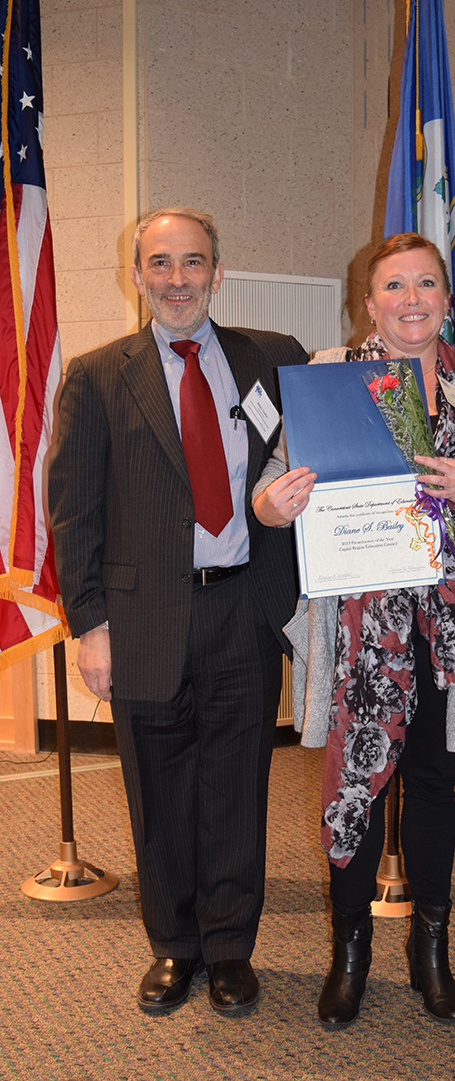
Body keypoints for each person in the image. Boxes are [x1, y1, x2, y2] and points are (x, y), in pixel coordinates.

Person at [253, 232, 455, 1028]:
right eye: (395, 286)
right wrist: (276, 504)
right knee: (356, 785)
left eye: (427, 284)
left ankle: (431, 954)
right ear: (368, 304)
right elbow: (270, 486)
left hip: (449, 627)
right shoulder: (332, 376)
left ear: (447, 298)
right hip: (358, 628)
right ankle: (351, 955)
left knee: (435, 784)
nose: (412, 300)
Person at [49, 208, 307, 1016]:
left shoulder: (274, 359)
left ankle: (229, 948)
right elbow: (73, 513)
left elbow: (321, 444)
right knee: (158, 791)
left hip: (245, 607)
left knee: (237, 785)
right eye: (159, 263)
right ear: (136, 275)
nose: (176, 279)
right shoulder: (96, 375)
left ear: (218, 272)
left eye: (192, 262)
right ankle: (174, 946)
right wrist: (91, 626)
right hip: (140, 619)